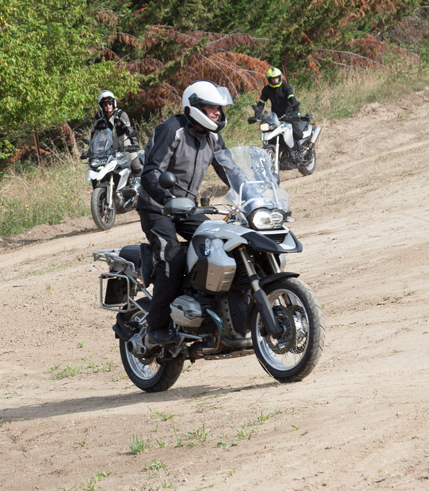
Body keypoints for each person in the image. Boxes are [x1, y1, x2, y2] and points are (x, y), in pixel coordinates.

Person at [136, 81, 234, 346]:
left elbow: (228, 169)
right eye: (212, 107)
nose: (217, 112)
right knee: (173, 256)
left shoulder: (213, 135)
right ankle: (156, 327)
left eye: (219, 108)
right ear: (196, 106)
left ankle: (207, 311)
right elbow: (151, 173)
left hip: (188, 207)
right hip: (157, 207)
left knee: (216, 244)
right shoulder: (171, 130)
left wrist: (251, 191)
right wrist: (167, 199)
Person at [93, 90, 142, 178]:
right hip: (108, 151)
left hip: (124, 146)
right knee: (97, 170)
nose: (108, 106)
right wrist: (92, 149)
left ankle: (141, 186)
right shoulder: (98, 118)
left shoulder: (121, 115)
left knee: (136, 167)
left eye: (109, 103)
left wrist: (134, 145)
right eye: (105, 105)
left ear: (113, 103)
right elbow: (94, 134)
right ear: (101, 106)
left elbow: (129, 130)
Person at [254, 67, 303, 138]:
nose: (275, 80)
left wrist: (296, 111)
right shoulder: (266, 89)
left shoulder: (286, 87)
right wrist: (256, 115)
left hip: (288, 115)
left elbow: (292, 98)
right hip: (275, 117)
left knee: (298, 135)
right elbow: (261, 103)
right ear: (269, 79)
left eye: (276, 78)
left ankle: (300, 147)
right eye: (272, 79)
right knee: (270, 135)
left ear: (279, 78)